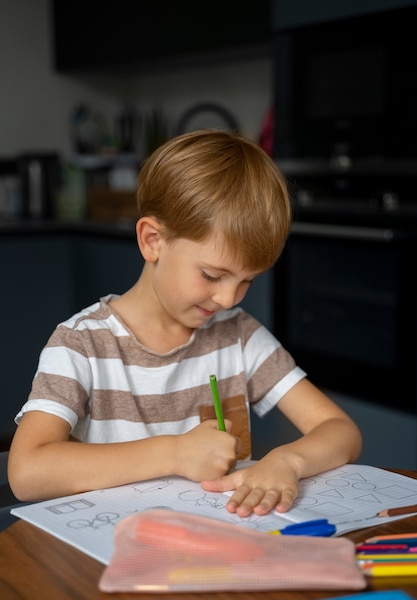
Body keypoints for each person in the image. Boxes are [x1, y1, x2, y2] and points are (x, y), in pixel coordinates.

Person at [8, 130, 362, 517]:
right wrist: (173, 452)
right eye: (212, 275)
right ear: (152, 240)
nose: (229, 299)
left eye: (247, 281)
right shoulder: (80, 345)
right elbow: (27, 473)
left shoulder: (238, 336)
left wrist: (288, 461)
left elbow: (340, 430)